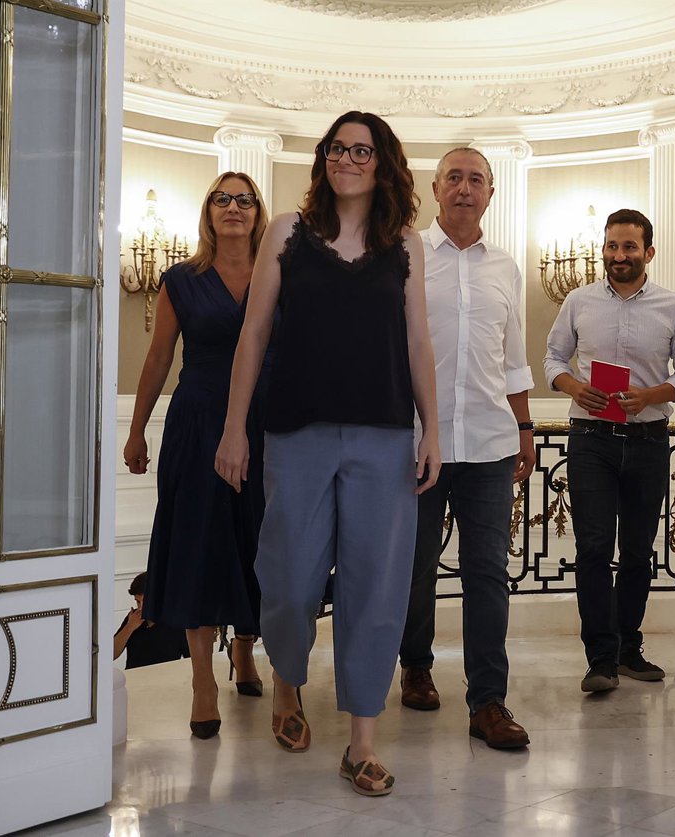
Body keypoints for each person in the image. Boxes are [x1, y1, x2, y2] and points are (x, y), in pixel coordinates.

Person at [215, 111, 439, 797]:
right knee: (289, 578)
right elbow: (254, 334)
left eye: (361, 150)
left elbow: (418, 341)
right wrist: (233, 429)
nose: (347, 159)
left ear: (382, 163)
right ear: (324, 159)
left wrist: (433, 428)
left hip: (384, 435)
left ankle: (361, 741)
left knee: (376, 586)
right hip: (296, 431)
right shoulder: (287, 231)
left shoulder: (404, 243)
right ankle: (286, 679)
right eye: (337, 148)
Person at [123, 171, 273, 740]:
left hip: (265, 423)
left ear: (258, 212)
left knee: (257, 539)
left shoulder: (278, 274)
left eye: (244, 199)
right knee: (197, 543)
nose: (233, 207)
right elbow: (158, 357)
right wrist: (136, 430)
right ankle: (203, 682)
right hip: (197, 424)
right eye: (222, 199)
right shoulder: (181, 280)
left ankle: (246, 649)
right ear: (208, 211)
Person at [398, 148, 535, 750]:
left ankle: (488, 701)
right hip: (417, 442)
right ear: (435, 189)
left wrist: (525, 428)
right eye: (453, 177)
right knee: (415, 567)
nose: (464, 188)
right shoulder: (406, 256)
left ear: (490, 193)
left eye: (475, 179)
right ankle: (416, 665)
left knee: (487, 573)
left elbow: (514, 357)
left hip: (489, 442)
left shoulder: (506, 267)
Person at [543, 208, 675, 694]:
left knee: (636, 551)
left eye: (629, 247)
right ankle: (600, 660)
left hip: (648, 441)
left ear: (648, 252)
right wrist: (575, 386)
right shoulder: (578, 301)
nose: (618, 255)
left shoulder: (673, 306)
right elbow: (552, 359)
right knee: (593, 548)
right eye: (612, 246)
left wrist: (651, 395)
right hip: (591, 439)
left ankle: (628, 649)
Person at [113, 572, 190, 668]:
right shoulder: (133, 617)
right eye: (138, 601)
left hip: (164, 675)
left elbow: (190, 660)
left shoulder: (176, 622)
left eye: (146, 602)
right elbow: (111, 654)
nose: (141, 607)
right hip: (134, 675)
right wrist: (130, 627)